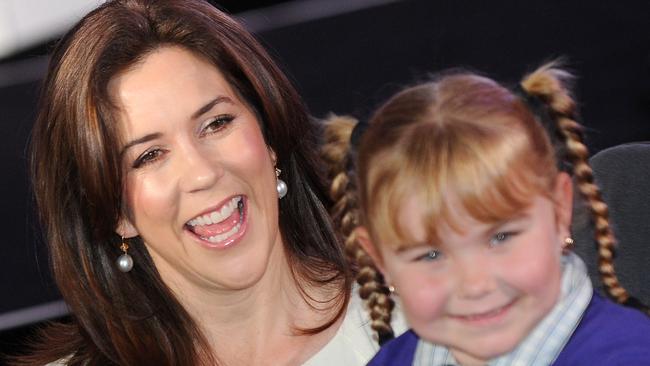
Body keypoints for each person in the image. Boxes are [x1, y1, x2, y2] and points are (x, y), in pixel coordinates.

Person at [17, 0, 406, 364]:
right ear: (114, 211)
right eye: (149, 156)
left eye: (216, 123)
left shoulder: (436, 319)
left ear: (268, 132)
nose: (202, 173)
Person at [322, 63, 650, 365]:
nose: (475, 284)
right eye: (431, 254)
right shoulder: (391, 360)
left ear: (559, 209)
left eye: (500, 237)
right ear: (379, 260)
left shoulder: (630, 354)